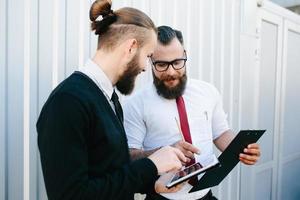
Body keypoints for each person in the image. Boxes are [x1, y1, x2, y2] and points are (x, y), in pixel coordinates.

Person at [37, 2, 187, 200]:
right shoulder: (68, 102)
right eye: (148, 56)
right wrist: (151, 165)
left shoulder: (109, 98)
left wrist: (155, 183)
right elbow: (71, 195)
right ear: (132, 47)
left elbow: (112, 172)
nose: (144, 68)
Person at [123, 26, 261, 200]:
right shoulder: (135, 103)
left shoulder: (208, 92)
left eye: (177, 62)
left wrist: (243, 149)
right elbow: (128, 156)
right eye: (162, 64)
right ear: (150, 61)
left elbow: (221, 133)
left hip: (205, 194)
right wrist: (164, 152)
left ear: (185, 55)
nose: (171, 71)